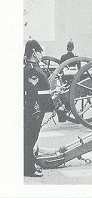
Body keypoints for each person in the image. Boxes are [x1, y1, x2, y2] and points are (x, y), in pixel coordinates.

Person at [24, 39, 54, 177]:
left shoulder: (34, 67)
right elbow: (33, 94)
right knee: (30, 138)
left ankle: (29, 164)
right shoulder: (31, 70)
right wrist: (38, 110)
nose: (42, 54)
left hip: (36, 109)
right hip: (34, 110)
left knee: (31, 137)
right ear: (34, 52)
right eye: (41, 51)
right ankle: (29, 169)